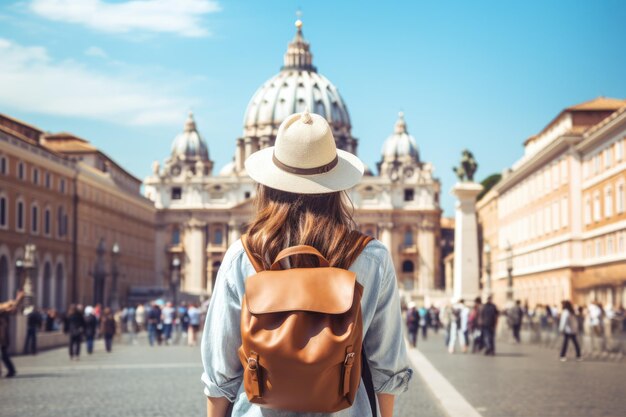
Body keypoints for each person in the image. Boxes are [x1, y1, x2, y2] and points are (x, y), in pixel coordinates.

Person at [201, 111, 412, 417]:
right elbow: (388, 366)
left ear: (269, 183)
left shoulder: (241, 255)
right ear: (336, 182)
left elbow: (220, 373)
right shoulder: (372, 257)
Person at [1, 291, 25, 377]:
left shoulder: (3, 313)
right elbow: (10, 306)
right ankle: (11, 370)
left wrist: (18, 299)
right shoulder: (4, 313)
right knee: (4, 356)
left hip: (2, 337)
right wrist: (18, 299)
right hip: (3, 337)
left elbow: (10, 306)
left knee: (4, 356)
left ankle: (11, 370)